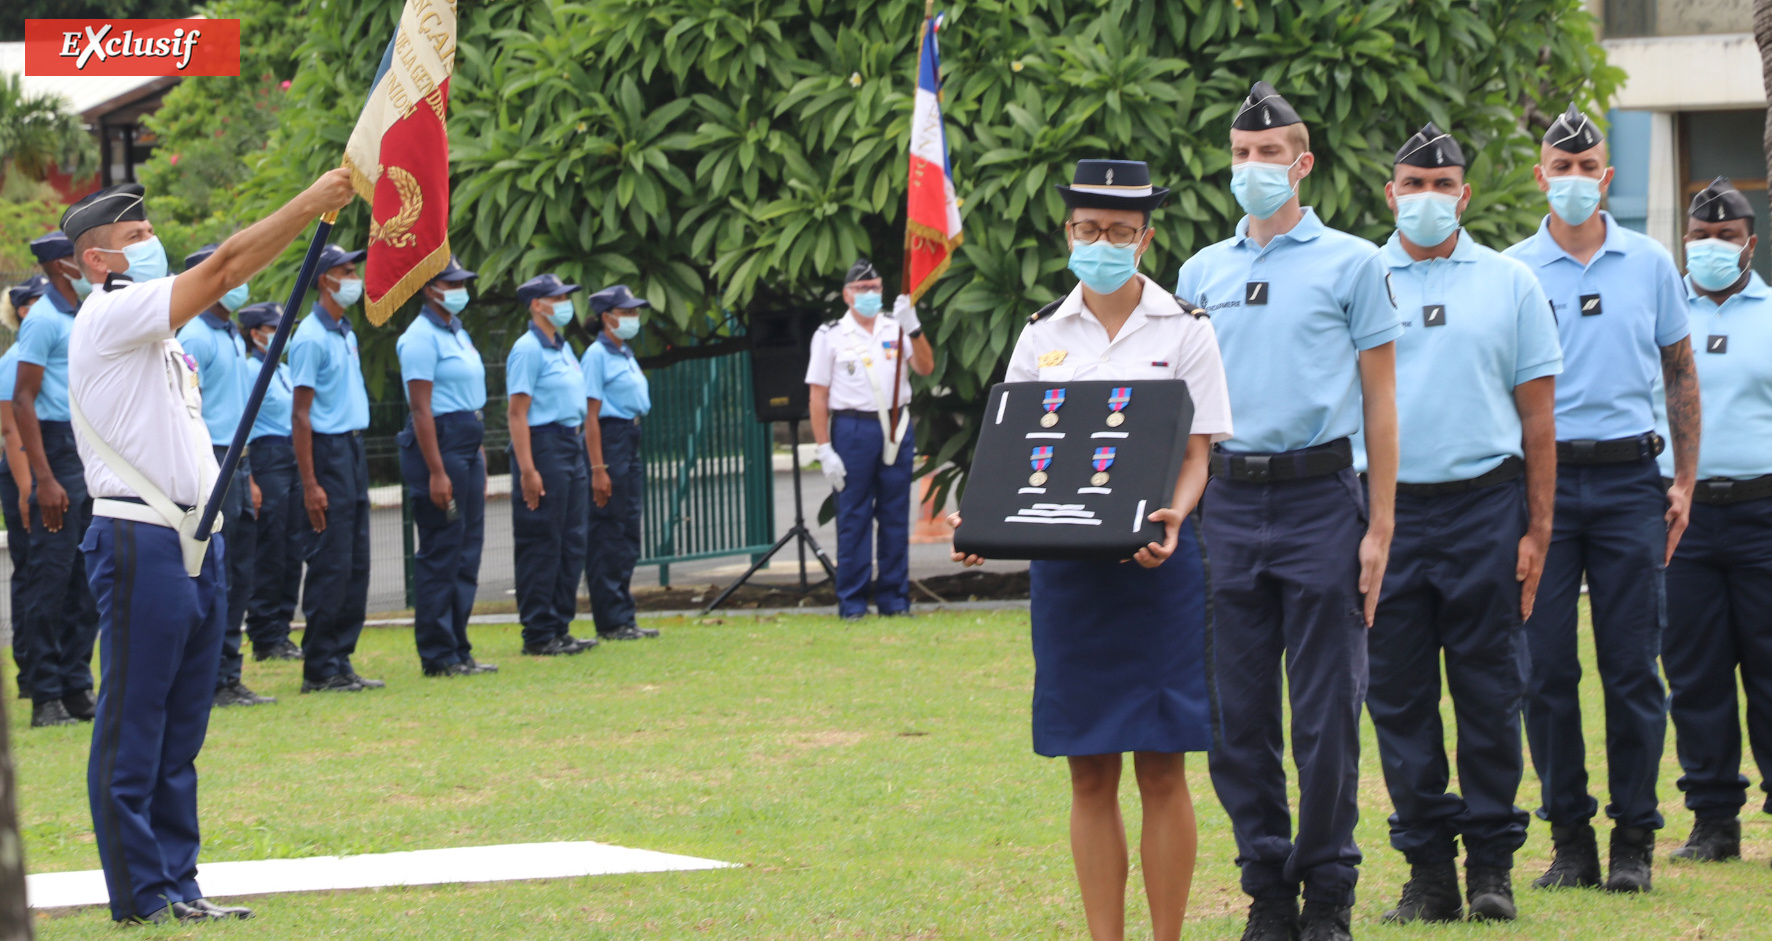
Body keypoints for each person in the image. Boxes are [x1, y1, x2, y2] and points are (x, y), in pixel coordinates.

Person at [952, 158, 1231, 941]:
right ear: (1066, 232)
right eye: (1086, 229)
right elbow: (1012, 449)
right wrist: (986, 522)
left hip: (1159, 571)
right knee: (1088, 768)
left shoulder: (1188, 329)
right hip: (1071, 580)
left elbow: (1197, 456)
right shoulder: (1041, 333)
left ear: (1145, 237)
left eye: (1117, 231)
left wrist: (1172, 517)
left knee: (1164, 766)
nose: (1100, 242)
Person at [66, 171, 355, 923]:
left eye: (148, 231)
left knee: (181, 724)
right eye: (135, 238)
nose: (151, 244)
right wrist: (309, 206)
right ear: (98, 261)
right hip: (140, 535)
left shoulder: (160, 340)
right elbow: (226, 267)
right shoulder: (111, 315)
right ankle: (140, 893)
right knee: (134, 719)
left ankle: (178, 880)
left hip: (196, 538)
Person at [1174, 81, 1402, 941]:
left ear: (1302, 164)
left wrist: (1379, 527)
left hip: (1320, 499)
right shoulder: (1203, 271)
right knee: (1237, 718)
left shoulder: (1353, 263)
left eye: (1268, 154)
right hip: (1227, 500)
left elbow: (1381, 404)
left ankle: (1329, 890)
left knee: (1327, 713)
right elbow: (1182, 407)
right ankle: (1267, 888)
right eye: (1240, 154)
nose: (1252, 168)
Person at [1364, 125, 1562, 925]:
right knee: (1398, 695)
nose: (1427, 198)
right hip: (1390, 511)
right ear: (1390, 193)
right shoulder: (1360, 276)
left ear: (1465, 194)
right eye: (1412, 183)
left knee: (1490, 689)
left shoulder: (1510, 282)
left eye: (1442, 183)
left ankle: (1490, 864)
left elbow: (1540, 419)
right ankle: (1427, 870)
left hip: (1488, 505)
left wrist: (1538, 530)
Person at [1502, 104, 1698, 894]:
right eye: (1561, 166)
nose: (1575, 180)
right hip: (1539, 486)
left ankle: (1634, 841)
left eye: (1588, 169)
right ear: (1540, 175)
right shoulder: (1513, 271)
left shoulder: (1651, 262)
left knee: (1631, 667)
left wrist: (1684, 479)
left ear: (1606, 177)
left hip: (1628, 483)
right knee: (1545, 668)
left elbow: (1681, 372)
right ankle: (1570, 838)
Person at [1653, 178, 1771, 866]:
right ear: (1684, 242)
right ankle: (1712, 819)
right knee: (1694, 672)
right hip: (1683, 518)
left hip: (1763, 511)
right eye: (1700, 236)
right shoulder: (1666, 316)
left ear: (1749, 243)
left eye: (1725, 237)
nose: (1712, 247)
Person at [805, 259, 934, 620]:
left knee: (894, 515)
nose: (870, 294)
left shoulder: (896, 329)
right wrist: (824, 448)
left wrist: (914, 326)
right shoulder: (830, 335)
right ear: (847, 295)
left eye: (876, 288)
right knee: (854, 516)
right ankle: (853, 603)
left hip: (896, 425)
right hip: (852, 428)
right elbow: (818, 396)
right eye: (862, 289)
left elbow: (925, 367)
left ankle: (895, 600)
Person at [175, 243, 273, 708]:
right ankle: (210, 678)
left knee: (238, 569)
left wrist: (248, 471)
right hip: (209, 459)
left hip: (238, 458)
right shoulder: (195, 336)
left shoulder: (230, 333)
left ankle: (228, 674)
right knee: (215, 572)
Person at [13, 229, 101, 729]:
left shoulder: (85, 312)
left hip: (87, 448)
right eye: (74, 255)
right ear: (58, 264)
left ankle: (76, 685)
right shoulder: (44, 320)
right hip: (57, 451)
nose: (82, 261)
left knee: (86, 580)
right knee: (51, 579)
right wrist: (43, 479)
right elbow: (24, 399)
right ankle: (44, 694)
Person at [288, 244, 384, 693]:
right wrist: (310, 482)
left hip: (352, 447)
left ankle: (341, 657)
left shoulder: (344, 331)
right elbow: (301, 414)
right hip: (327, 453)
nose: (353, 278)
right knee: (331, 561)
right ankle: (320, 666)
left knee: (355, 561)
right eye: (346, 271)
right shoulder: (309, 336)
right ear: (325, 279)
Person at [396, 257, 495, 677]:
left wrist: (480, 452)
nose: (459, 288)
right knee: (442, 551)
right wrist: (437, 472)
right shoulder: (419, 338)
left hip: (467, 443)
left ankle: (459, 646)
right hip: (440, 443)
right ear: (428, 288)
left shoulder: (457, 332)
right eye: (449, 282)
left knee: (467, 551)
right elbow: (421, 409)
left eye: (461, 281)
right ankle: (438, 654)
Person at [507, 273, 595, 657]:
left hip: (570, 442)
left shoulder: (561, 346)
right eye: (556, 297)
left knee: (571, 539)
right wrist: (528, 469)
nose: (564, 303)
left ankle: (560, 625)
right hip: (544, 443)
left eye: (565, 296)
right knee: (542, 538)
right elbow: (516, 413)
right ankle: (539, 631)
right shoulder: (528, 349)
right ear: (537, 304)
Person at [581, 284, 658, 642]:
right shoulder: (596, 355)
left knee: (627, 530)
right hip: (610, 440)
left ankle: (624, 616)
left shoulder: (623, 351)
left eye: (634, 312)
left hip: (630, 437)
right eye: (625, 312)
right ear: (606, 318)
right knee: (608, 531)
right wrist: (598, 468)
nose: (632, 318)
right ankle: (610, 620)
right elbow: (590, 416)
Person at [237, 302, 304, 662]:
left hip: (291, 457)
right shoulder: (249, 370)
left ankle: (282, 628)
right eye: (273, 327)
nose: (282, 333)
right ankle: (264, 633)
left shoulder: (281, 369)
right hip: (267, 458)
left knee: (292, 547)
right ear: (255, 333)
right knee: (271, 549)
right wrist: (250, 478)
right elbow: (241, 422)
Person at [0, 276, 44, 703]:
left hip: (51, 464)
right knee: (32, 573)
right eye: (35, 300)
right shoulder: (15, 358)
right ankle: (30, 673)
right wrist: (25, 485)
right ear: (22, 311)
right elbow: (10, 426)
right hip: (25, 469)